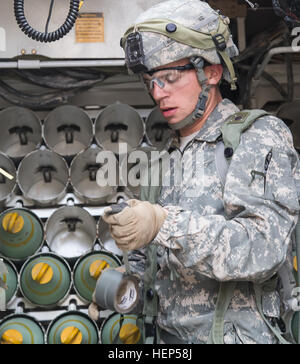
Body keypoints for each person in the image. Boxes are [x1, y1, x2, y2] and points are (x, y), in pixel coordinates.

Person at [98, 0, 300, 344]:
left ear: (212, 72)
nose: (158, 94)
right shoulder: (164, 162)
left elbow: (263, 250)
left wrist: (165, 224)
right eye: (151, 81)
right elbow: (158, 267)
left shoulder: (257, 137)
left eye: (170, 78)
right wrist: (126, 283)